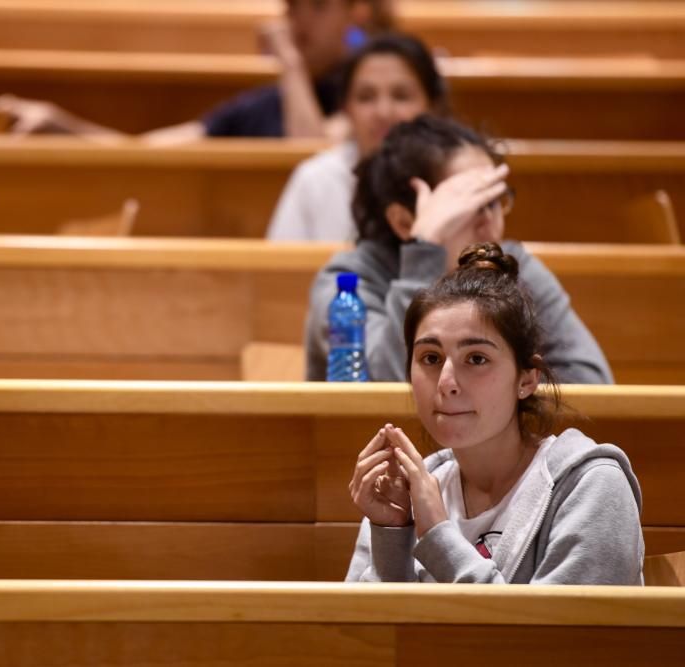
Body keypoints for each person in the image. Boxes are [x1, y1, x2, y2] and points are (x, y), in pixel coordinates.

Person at [345, 242, 643, 584]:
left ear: (527, 379)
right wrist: (392, 534)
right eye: (430, 358)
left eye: (476, 359)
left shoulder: (590, 485)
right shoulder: (403, 493)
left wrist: (439, 537)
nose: (446, 382)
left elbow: (554, 636)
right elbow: (369, 635)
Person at [304, 115, 614, 383]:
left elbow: (592, 384)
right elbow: (384, 387)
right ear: (403, 221)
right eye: (467, 205)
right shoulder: (348, 280)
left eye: (494, 201)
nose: (489, 222)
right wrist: (424, 249)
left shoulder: (514, 267)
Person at [0, 0, 392, 143]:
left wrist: (290, 65)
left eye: (315, 6)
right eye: (290, 6)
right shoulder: (261, 106)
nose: (296, 23)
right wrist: (61, 124)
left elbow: (310, 156)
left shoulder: (376, 96)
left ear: (357, 12)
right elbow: (150, 151)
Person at [266, 32, 446, 242]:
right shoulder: (315, 179)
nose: (383, 112)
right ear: (346, 109)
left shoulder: (454, 177)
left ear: (432, 107)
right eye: (366, 97)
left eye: (401, 96)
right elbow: (280, 270)